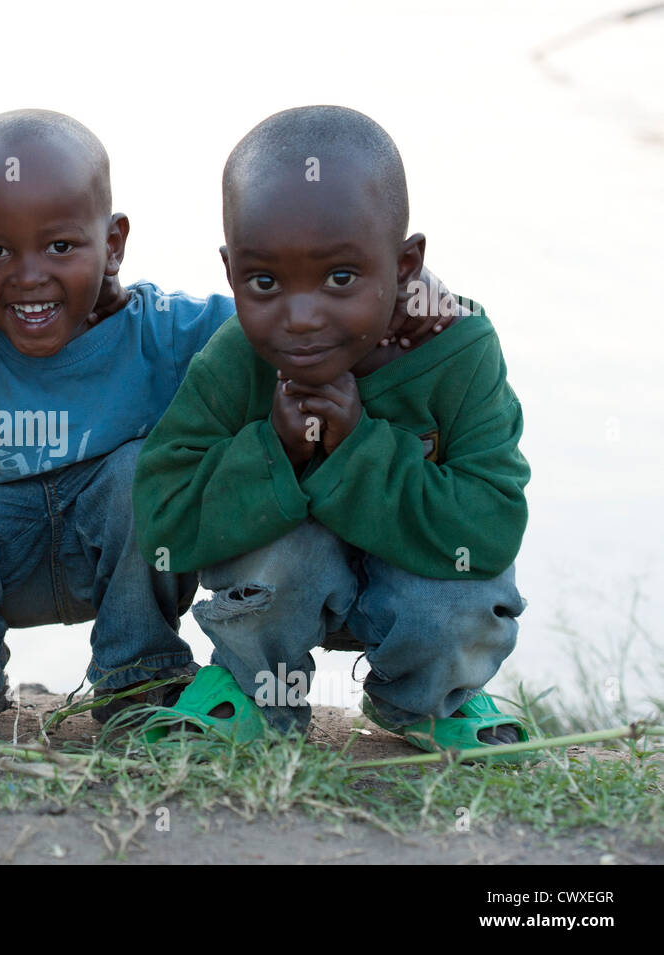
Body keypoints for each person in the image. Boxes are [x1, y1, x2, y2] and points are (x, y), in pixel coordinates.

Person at [0, 109, 451, 735]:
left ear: (114, 243)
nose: (28, 275)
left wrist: (414, 298)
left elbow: (294, 317)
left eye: (62, 247)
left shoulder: (166, 330)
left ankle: (138, 673)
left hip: (118, 548)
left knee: (144, 474)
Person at [133, 106, 530, 758]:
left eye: (341, 277)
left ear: (405, 265)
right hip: (293, 586)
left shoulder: (460, 350)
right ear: (231, 272)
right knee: (276, 563)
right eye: (265, 281)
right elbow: (161, 522)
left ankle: (426, 699)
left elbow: (490, 526)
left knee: (466, 598)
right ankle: (258, 695)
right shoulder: (238, 357)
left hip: (414, 580)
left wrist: (358, 448)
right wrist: (276, 452)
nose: (302, 317)